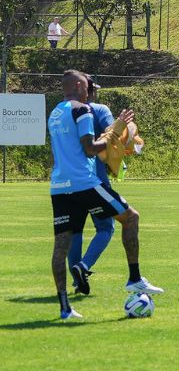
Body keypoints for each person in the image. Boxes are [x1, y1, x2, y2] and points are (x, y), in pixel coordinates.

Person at [48, 70, 159, 320]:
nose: (89, 91)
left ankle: (65, 308)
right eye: (87, 86)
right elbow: (90, 149)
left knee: (61, 247)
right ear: (79, 85)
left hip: (59, 186)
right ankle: (134, 279)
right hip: (84, 183)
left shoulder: (55, 112)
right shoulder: (82, 110)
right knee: (131, 218)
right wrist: (115, 129)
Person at [66, 77, 117, 296]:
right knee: (106, 228)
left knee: (74, 231)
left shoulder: (64, 111)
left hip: (67, 182)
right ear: (89, 91)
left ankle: (77, 281)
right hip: (93, 180)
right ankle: (83, 266)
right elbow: (112, 133)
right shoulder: (99, 109)